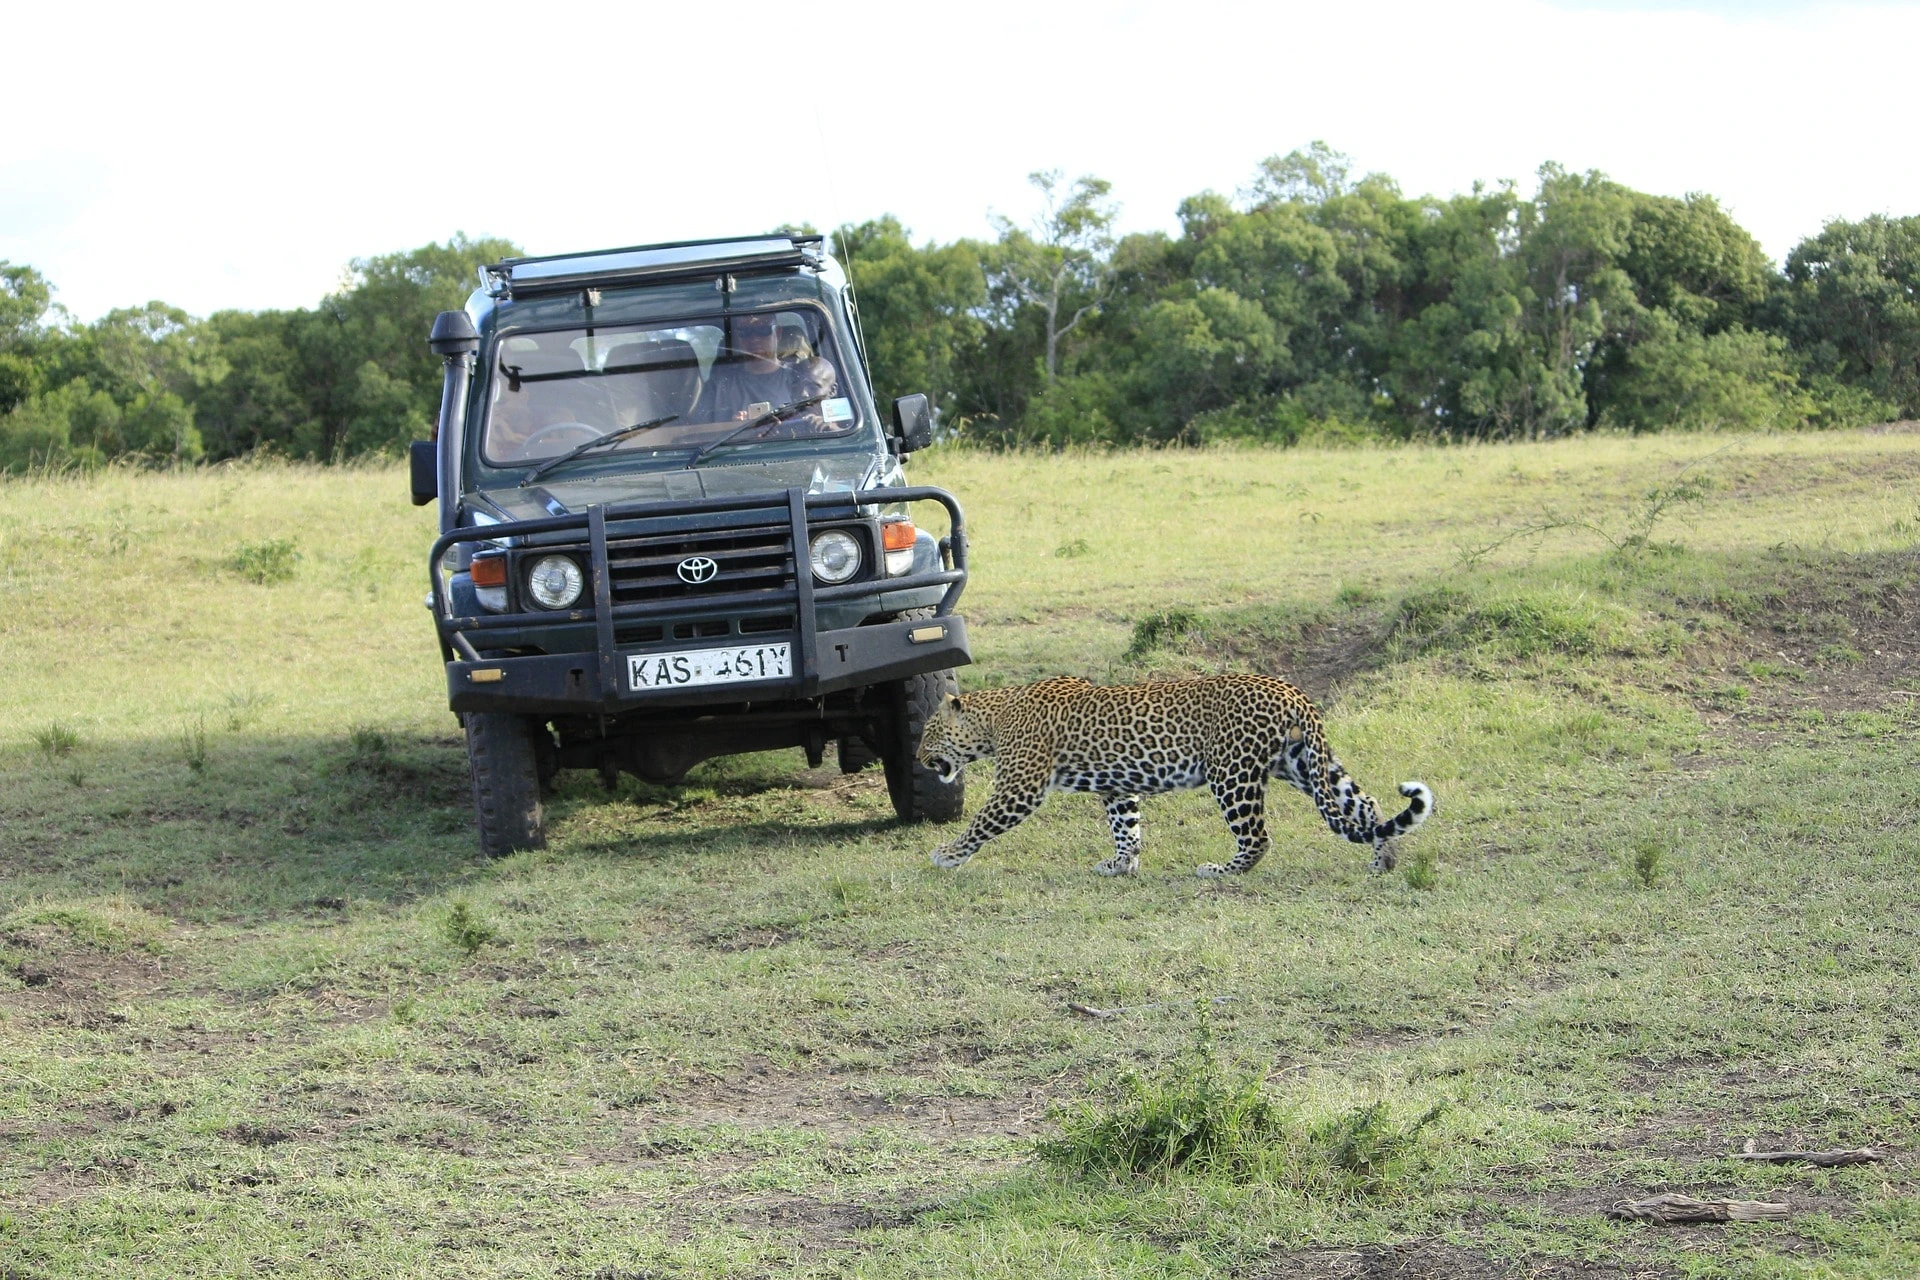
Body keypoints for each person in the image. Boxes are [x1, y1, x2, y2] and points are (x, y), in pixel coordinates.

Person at [697, 311, 839, 428]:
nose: (754, 339)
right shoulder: (719, 386)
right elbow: (702, 434)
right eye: (745, 333)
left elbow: (835, 424)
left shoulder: (801, 378)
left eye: (762, 330)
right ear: (737, 337)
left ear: (777, 333)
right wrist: (733, 428)